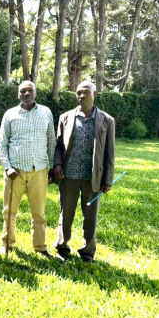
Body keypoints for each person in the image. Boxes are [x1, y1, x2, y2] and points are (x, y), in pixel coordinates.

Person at [53, 81, 115, 263]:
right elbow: (58, 146)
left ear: (94, 94)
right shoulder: (66, 117)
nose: (81, 96)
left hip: (92, 178)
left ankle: (88, 251)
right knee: (66, 213)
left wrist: (108, 180)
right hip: (68, 175)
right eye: (78, 93)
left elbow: (110, 153)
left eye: (85, 92)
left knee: (90, 217)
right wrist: (57, 164)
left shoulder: (107, 120)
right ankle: (62, 247)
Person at [0, 81, 56, 258]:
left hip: (39, 170)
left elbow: (51, 141)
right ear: (18, 94)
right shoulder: (10, 115)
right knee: (9, 211)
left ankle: (40, 247)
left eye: (30, 90)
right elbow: (2, 144)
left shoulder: (46, 112)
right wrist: (7, 167)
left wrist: (52, 167)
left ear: (35, 93)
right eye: (23, 91)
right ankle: (6, 244)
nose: (26, 94)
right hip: (15, 172)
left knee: (39, 212)